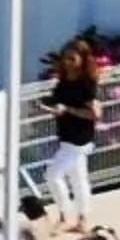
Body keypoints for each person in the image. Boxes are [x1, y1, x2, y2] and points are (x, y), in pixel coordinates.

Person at [45, 41, 101, 229]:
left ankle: (65, 215)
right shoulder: (63, 82)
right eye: (65, 58)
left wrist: (67, 109)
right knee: (78, 178)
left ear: (82, 60)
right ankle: (83, 218)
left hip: (79, 139)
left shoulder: (85, 84)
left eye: (72, 58)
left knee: (52, 175)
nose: (68, 62)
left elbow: (94, 114)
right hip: (66, 136)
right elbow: (56, 101)